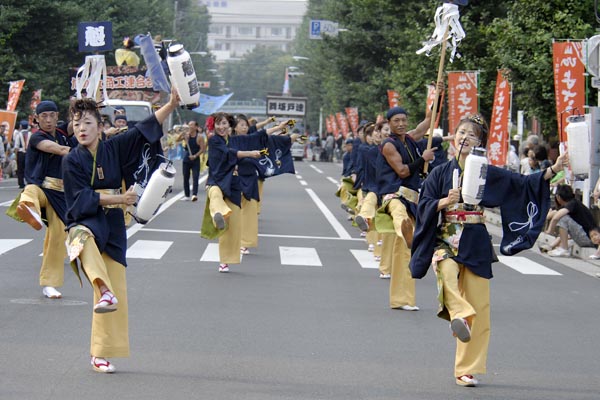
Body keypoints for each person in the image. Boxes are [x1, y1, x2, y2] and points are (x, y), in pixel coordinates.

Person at [410, 113, 566, 387]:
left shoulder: (487, 172)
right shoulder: (439, 173)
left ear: (479, 142)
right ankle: (459, 313)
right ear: (453, 138)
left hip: (476, 239)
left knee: (480, 306)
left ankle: (466, 369)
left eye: (472, 135)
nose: (465, 137)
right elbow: (423, 205)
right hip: (446, 237)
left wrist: (553, 169)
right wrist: (445, 201)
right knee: (446, 272)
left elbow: (522, 184)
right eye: (461, 133)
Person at [62, 88, 180, 373]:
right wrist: (120, 198)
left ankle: (100, 353)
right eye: (77, 124)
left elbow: (144, 129)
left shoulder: (113, 148)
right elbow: (79, 199)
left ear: (101, 127)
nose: (81, 129)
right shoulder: (71, 160)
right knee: (80, 238)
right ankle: (102, 288)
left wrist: (172, 104)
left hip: (114, 223)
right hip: (86, 217)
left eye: (87, 123)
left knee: (117, 296)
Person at [11, 101, 76, 299]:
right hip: (42, 188)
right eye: (44, 116)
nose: (48, 120)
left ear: (57, 116)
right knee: (29, 190)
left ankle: (49, 284)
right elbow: (57, 149)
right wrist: (81, 153)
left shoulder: (64, 132)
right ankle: (30, 211)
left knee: (57, 239)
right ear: (36, 119)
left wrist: (85, 108)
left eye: (51, 115)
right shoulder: (37, 137)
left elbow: (79, 123)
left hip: (61, 194)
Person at [376, 104, 437, 311]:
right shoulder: (388, 145)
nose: (401, 124)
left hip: (412, 197)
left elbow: (426, 124)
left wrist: (437, 99)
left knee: (403, 253)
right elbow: (402, 171)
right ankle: (406, 234)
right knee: (399, 216)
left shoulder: (410, 139)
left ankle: (402, 300)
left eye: (403, 120)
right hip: (393, 194)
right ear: (389, 123)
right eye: (396, 121)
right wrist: (423, 159)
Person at [543, 184, 597, 257]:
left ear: (558, 197)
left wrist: (550, 231)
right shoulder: (573, 203)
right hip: (589, 238)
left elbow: (556, 217)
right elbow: (551, 215)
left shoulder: (572, 204)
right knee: (564, 224)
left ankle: (564, 249)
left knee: (563, 218)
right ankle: (553, 246)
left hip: (588, 238)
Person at [177, 120, 206, 202]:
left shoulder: (200, 137)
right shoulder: (186, 135)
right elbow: (177, 140)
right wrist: (182, 134)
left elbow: (202, 149)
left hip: (195, 160)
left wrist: (195, 156)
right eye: (189, 125)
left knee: (195, 177)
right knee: (186, 177)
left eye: (192, 125)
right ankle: (186, 195)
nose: (190, 126)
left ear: (196, 127)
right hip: (187, 159)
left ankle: (194, 194)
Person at [12, 120, 30, 188]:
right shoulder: (30, 134)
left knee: (20, 169)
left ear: (21, 126)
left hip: (21, 153)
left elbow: (16, 146)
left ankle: (21, 183)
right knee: (28, 168)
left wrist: (16, 156)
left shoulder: (18, 134)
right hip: (28, 153)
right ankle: (29, 181)